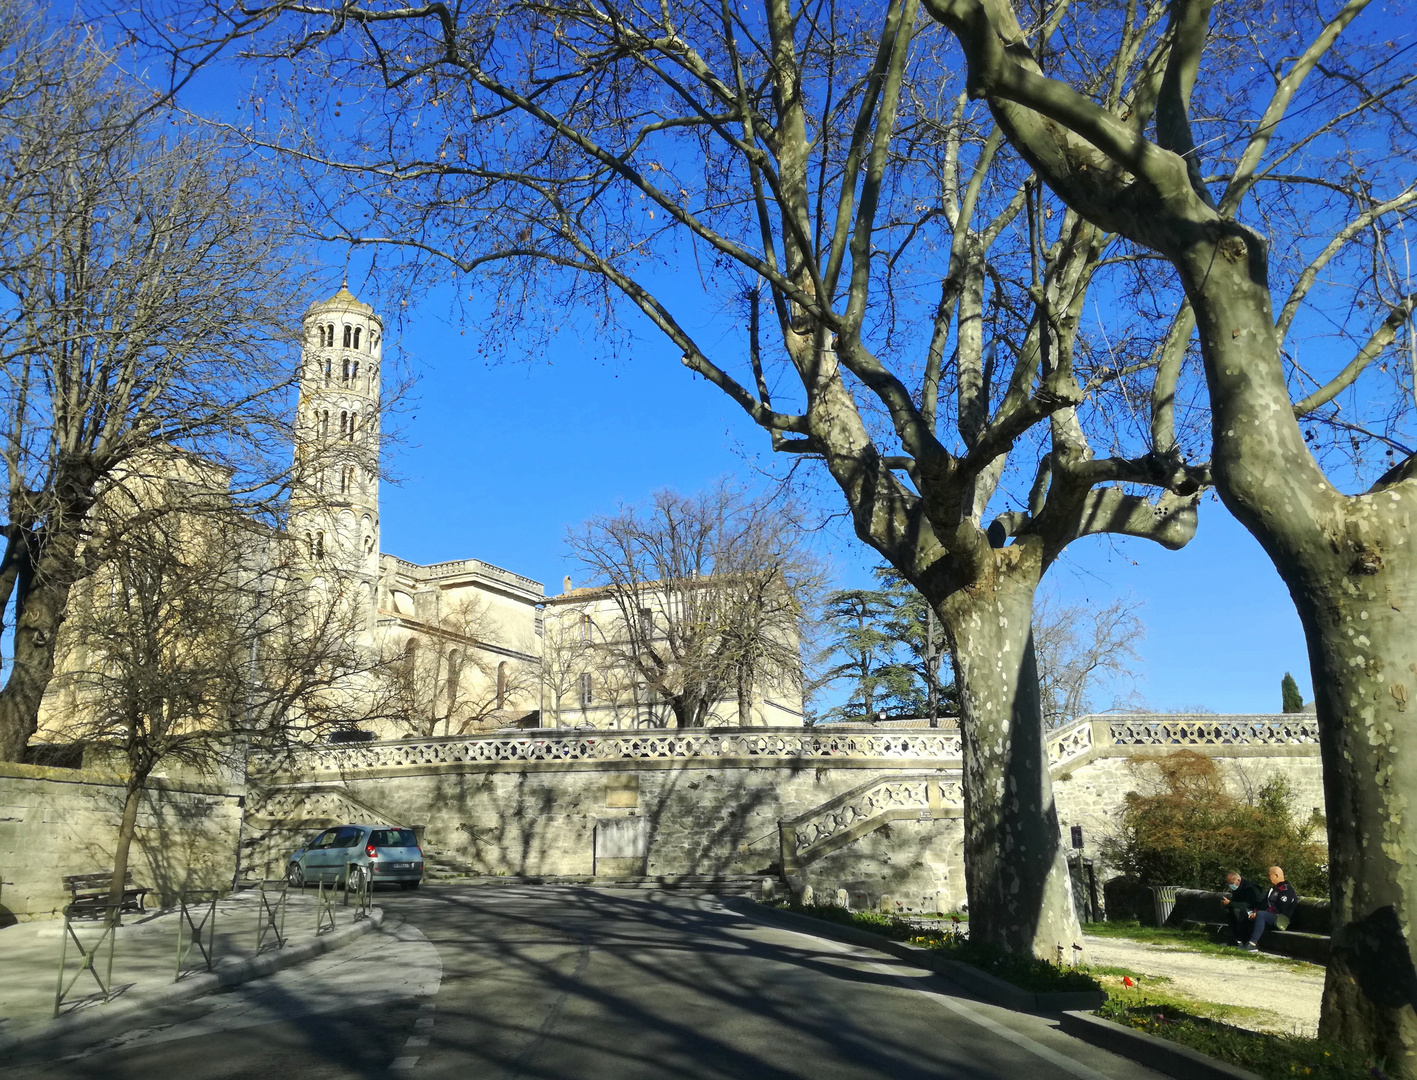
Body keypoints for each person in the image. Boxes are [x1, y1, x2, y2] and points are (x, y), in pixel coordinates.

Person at [1242, 866, 1299, 952]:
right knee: (1245, 912)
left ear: (1276, 875)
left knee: (1261, 915)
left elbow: (1280, 908)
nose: (1268, 877)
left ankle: (1252, 944)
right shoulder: (1273, 889)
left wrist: (1259, 913)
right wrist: (1254, 912)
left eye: (1269, 875)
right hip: (1269, 916)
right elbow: (1263, 904)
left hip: (1281, 919)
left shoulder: (1287, 890)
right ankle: (1242, 941)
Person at [1219, 869, 1265, 943]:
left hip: (1254, 910)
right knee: (1227, 910)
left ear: (1238, 880)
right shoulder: (1237, 889)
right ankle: (1235, 936)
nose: (1231, 886)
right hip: (1245, 909)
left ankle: (1241, 938)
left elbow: (1248, 905)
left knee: (1237, 911)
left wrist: (1230, 903)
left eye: (1232, 883)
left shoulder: (1250, 888)